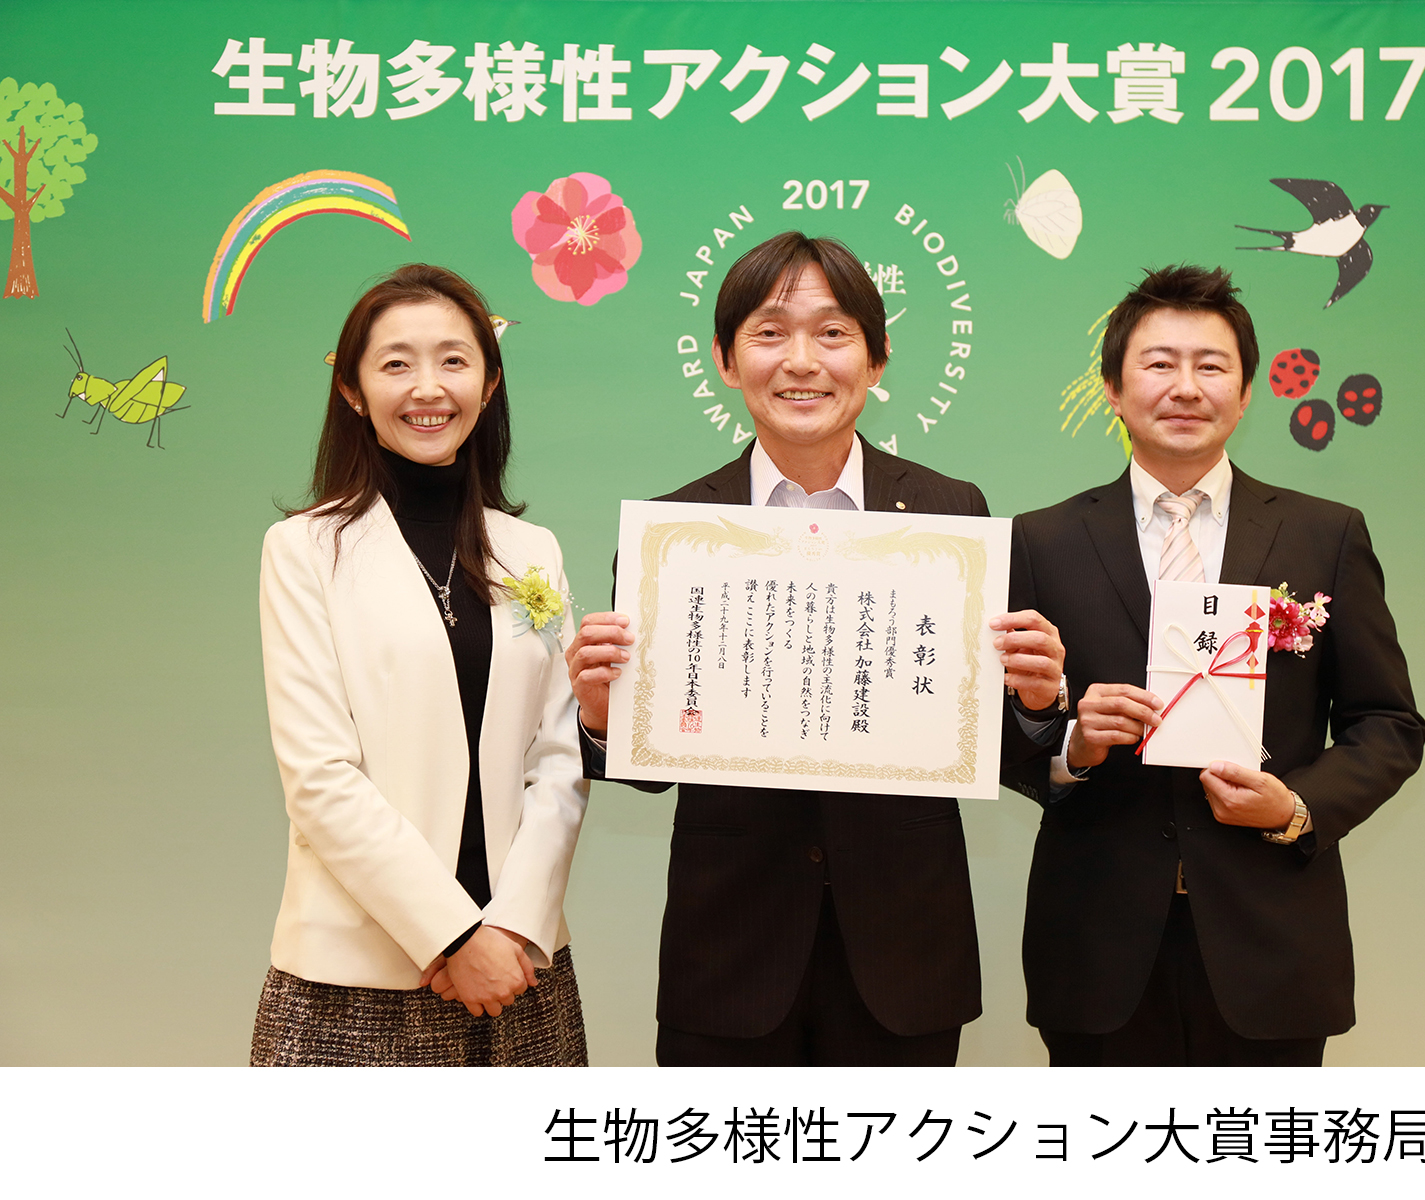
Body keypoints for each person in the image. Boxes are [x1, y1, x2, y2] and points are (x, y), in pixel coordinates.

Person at [565, 232, 1011, 1066]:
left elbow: (982, 732)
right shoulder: (675, 532)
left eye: (833, 333)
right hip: (729, 955)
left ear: (876, 360)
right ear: (725, 360)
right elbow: (651, 766)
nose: (802, 361)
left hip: (905, 952)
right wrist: (600, 714)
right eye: (770, 333)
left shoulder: (952, 514)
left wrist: (1035, 696)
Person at [995, 264, 1425, 1066]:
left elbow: (1388, 724)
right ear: (1114, 389)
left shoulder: (1323, 534)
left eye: (1212, 365)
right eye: (1159, 363)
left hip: (1272, 943)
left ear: (1247, 391)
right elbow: (1001, 740)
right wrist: (1072, 743)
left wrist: (1295, 806)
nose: (1186, 387)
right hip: (1097, 947)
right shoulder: (1042, 540)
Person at [251, 263, 588, 1066]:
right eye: (396, 363)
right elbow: (320, 777)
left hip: (521, 969)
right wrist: (453, 935)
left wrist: (510, 926)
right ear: (353, 390)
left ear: (489, 382)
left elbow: (561, 754)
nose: (428, 388)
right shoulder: (303, 551)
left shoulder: (531, 552)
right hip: (351, 978)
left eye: (454, 360)